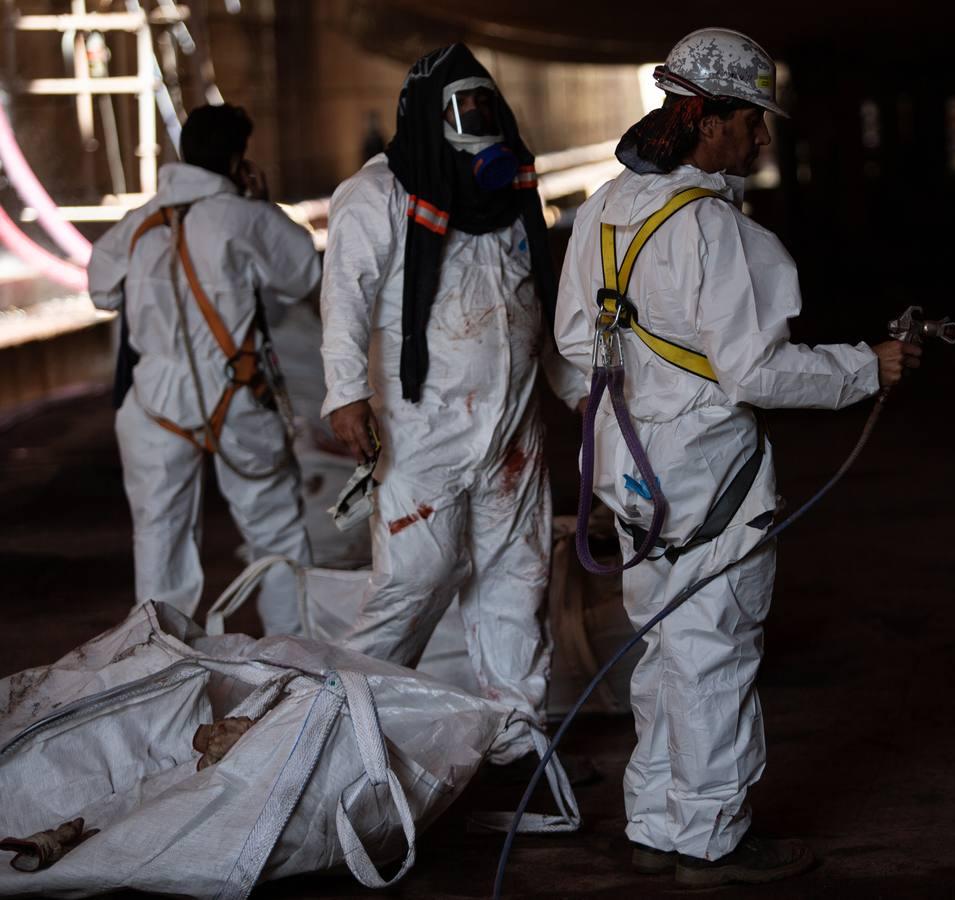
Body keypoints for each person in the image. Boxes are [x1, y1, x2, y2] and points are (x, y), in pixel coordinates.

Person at [554, 27, 918, 886]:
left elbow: (573, 349)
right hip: (709, 473)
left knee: (661, 647)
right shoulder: (719, 233)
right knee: (713, 651)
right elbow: (758, 372)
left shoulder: (604, 208)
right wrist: (868, 366)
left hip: (632, 470)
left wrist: (621, 445)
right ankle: (710, 833)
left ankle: (655, 816)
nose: (761, 137)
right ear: (705, 118)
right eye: (752, 120)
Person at [320, 46, 588, 763]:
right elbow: (344, 297)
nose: (477, 127)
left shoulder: (507, 196)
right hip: (422, 429)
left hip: (512, 431)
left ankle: (514, 740)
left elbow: (537, 302)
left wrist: (579, 392)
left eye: (484, 109)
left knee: (517, 577)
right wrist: (347, 395)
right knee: (413, 580)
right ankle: (332, 734)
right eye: (463, 113)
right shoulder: (377, 194)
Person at [88, 103, 319, 634]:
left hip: (155, 401)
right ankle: (296, 664)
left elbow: (101, 287)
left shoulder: (140, 223)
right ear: (238, 158)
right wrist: (261, 205)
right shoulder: (245, 217)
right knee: (277, 536)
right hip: (236, 392)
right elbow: (302, 275)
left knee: (159, 540)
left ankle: (160, 667)